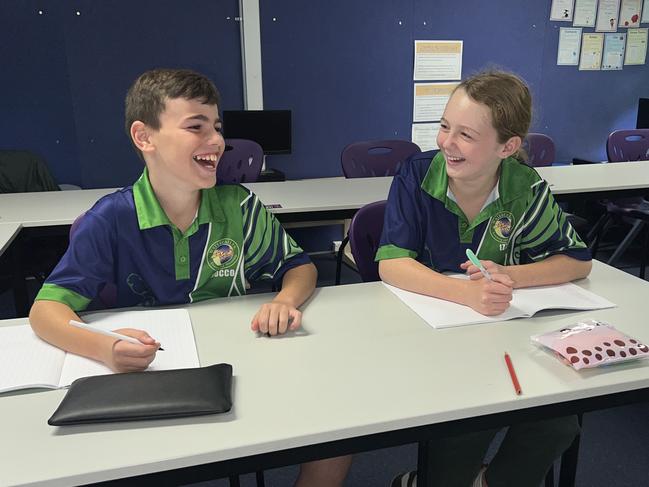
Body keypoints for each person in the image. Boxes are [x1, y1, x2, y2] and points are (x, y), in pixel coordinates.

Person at [29, 68, 350, 487]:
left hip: (238, 366)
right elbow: (45, 310)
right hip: (152, 381)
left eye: (217, 127)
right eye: (195, 127)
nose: (216, 141)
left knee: (339, 424)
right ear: (145, 137)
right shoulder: (111, 219)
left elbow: (300, 267)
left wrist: (285, 300)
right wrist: (104, 347)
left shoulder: (239, 207)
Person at [377, 70, 591, 487]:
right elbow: (391, 262)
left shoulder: (525, 186)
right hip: (428, 336)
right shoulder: (417, 173)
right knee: (468, 422)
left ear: (508, 147)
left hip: (499, 336)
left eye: (466, 135)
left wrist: (508, 273)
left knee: (557, 423)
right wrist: (464, 293)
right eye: (443, 127)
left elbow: (576, 261)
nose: (446, 143)